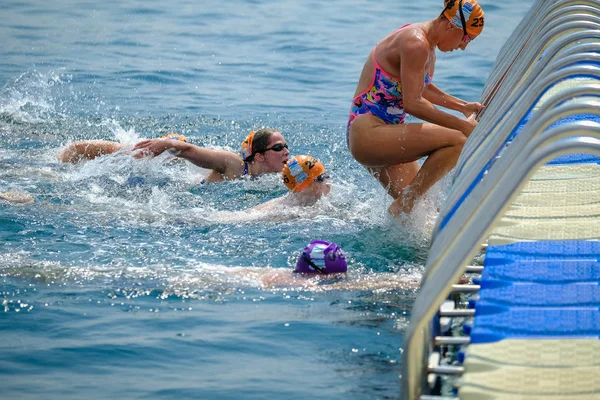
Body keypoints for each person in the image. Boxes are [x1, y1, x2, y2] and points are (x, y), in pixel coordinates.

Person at [347, 0, 486, 216]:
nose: (463, 46)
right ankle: (402, 206)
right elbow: (412, 103)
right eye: (467, 38)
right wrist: (462, 125)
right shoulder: (415, 43)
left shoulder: (426, 46)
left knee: (425, 210)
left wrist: (462, 106)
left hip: (383, 133)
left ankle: (405, 213)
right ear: (451, 25)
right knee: (458, 139)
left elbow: (422, 88)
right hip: (368, 133)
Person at [58, 128, 291, 183]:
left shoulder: (273, 178)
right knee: (135, 154)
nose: (287, 152)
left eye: (286, 146)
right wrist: (165, 144)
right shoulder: (235, 164)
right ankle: (74, 151)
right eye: (279, 148)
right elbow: (190, 151)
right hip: (179, 187)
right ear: (258, 156)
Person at [207, 155, 331, 223]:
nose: (328, 181)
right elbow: (238, 219)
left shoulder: (309, 201)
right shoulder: (292, 210)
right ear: (305, 185)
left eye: (326, 175)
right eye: (321, 177)